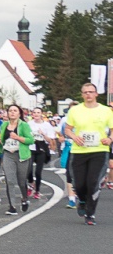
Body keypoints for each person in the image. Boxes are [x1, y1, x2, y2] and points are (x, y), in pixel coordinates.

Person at [64, 82, 113, 225]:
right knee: (78, 184)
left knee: (93, 182)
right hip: (79, 151)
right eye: (85, 92)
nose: (88, 95)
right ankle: (83, 200)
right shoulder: (75, 111)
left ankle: (90, 214)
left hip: (99, 150)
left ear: (96, 94)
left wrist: (109, 139)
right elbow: (67, 129)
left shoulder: (106, 111)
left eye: (91, 92)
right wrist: (74, 137)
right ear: (82, 94)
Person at [0, 104, 34, 216]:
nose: (12, 112)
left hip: (21, 155)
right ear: (7, 113)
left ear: (19, 113)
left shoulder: (24, 125)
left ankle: (24, 198)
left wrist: (17, 137)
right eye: (10, 111)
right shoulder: (4, 125)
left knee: (21, 181)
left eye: (15, 111)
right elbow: (2, 139)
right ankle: (12, 207)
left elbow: (31, 140)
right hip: (8, 154)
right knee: (9, 180)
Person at [26, 107, 56, 199]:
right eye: (34, 112)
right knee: (28, 170)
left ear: (41, 114)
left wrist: (43, 134)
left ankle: (37, 191)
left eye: (38, 112)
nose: (36, 114)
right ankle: (31, 183)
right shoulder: (28, 124)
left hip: (42, 150)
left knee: (38, 172)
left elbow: (50, 140)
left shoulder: (47, 125)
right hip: (31, 148)